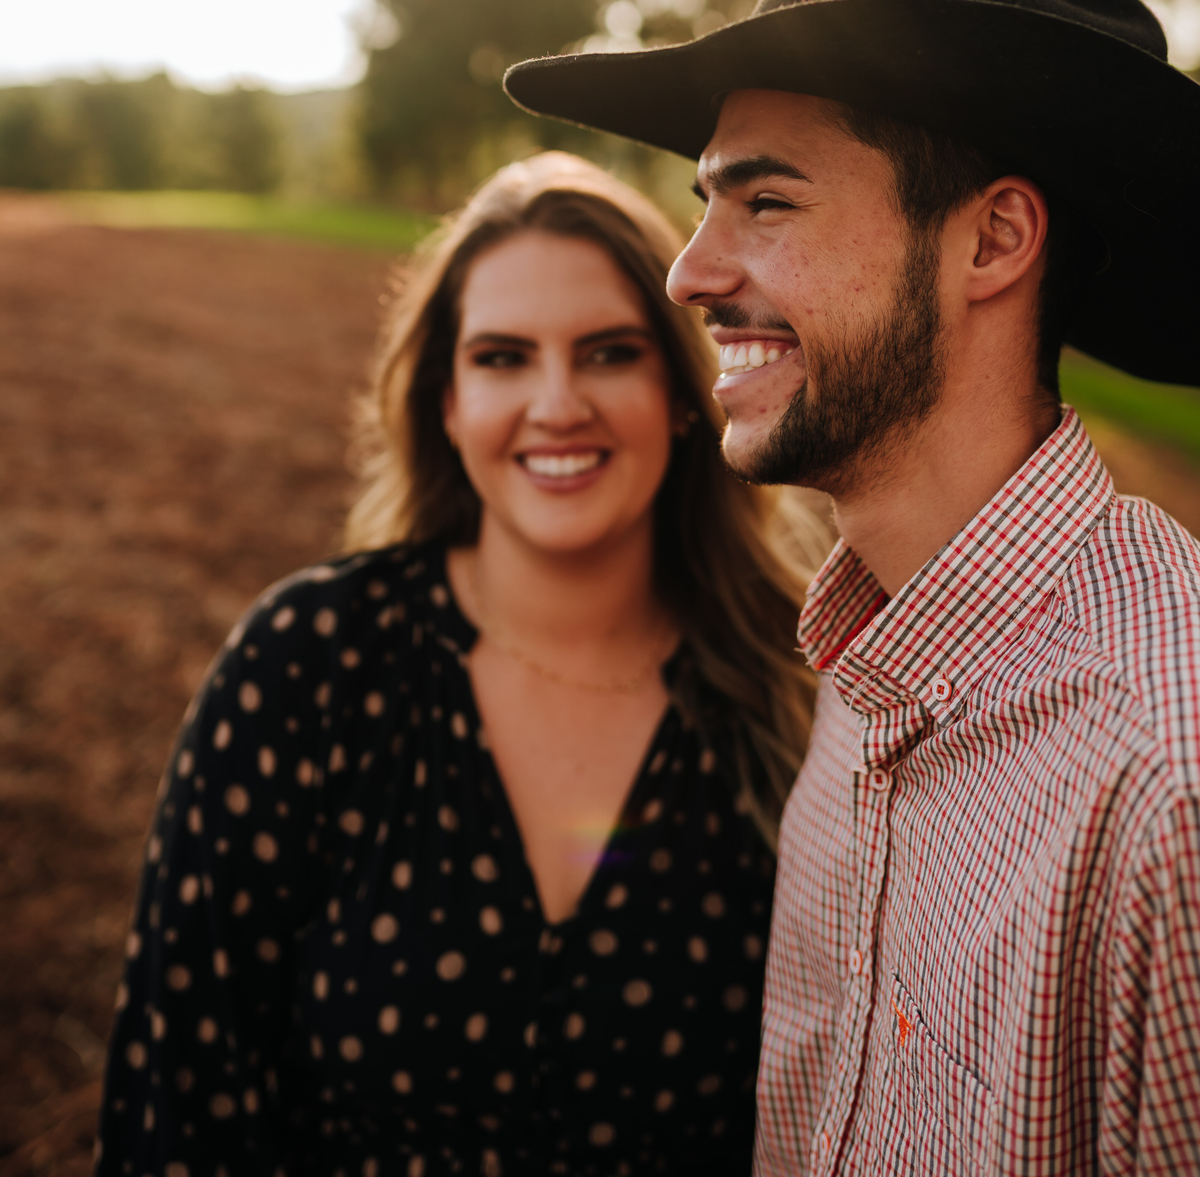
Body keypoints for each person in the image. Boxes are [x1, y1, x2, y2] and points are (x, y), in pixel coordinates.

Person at [504, 0, 1200, 1175]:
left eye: (767, 203)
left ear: (993, 240)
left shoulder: (1167, 791)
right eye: (706, 201)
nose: (691, 271)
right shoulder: (856, 669)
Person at [98, 152, 826, 1176]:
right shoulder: (307, 667)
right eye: (502, 358)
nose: (557, 403)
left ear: (678, 389)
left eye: (609, 353)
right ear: (447, 401)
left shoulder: (801, 693)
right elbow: (178, 1103)